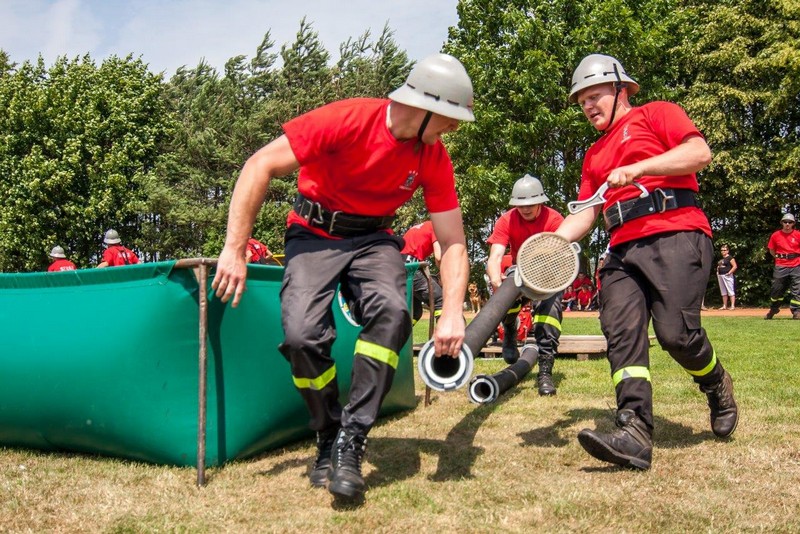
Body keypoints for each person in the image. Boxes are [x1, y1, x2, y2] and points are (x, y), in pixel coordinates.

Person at [210, 53, 473, 502]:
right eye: (450, 118)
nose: (453, 129)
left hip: (374, 239)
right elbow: (259, 165)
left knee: (392, 314)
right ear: (425, 106)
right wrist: (234, 249)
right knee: (301, 337)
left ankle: (352, 439)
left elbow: (452, 241)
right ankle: (328, 430)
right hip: (313, 234)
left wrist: (452, 311)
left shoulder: (432, 156)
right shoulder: (346, 120)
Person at [555, 53, 738, 470]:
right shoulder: (593, 155)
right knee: (620, 329)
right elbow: (585, 213)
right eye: (582, 101)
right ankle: (634, 429)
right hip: (622, 249)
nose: (587, 106)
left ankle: (715, 383)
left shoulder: (657, 114)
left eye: (594, 96)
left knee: (677, 336)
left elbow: (699, 153)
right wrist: (547, 246)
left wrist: (638, 168)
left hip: (677, 230)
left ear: (621, 89)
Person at [486, 174, 564, 396]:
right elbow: (495, 255)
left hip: (549, 273)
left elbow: (562, 251)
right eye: (521, 205)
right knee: (506, 299)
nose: (526, 209)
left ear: (541, 201)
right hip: (520, 271)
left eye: (530, 204)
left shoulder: (555, 220)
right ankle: (510, 329)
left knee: (549, 315)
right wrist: (495, 278)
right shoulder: (507, 220)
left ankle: (545, 372)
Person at [400, 220, 444, 324]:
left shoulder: (424, 226)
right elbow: (439, 257)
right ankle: (446, 334)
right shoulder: (437, 227)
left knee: (415, 312)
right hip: (410, 266)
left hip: (397, 266)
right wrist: (444, 275)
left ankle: (398, 333)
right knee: (440, 300)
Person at [765, 213, 800, 320]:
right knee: (776, 288)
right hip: (781, 265)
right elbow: (771, 250)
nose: (787, 224)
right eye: (785, 222)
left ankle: (796, 311)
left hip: (796, 264)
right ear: (782, 223)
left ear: (793, 223)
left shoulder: (798, 235)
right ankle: (774, 308)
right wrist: (779, 257)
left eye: (790, 222)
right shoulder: (775, 235)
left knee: (797, 289)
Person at [716, 244, 737, 310]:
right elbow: (719, 266)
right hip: (720, 275)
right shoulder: (722, 259)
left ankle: (732, 306)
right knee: (723, 291)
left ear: (728, 251)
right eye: (722, 250)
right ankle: (724, 305)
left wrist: (729, 272)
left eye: (724, 250)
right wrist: (717, 272)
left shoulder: (730, 258)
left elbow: (735, 266)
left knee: (730, 290)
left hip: (727, 275)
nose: (723, 251)